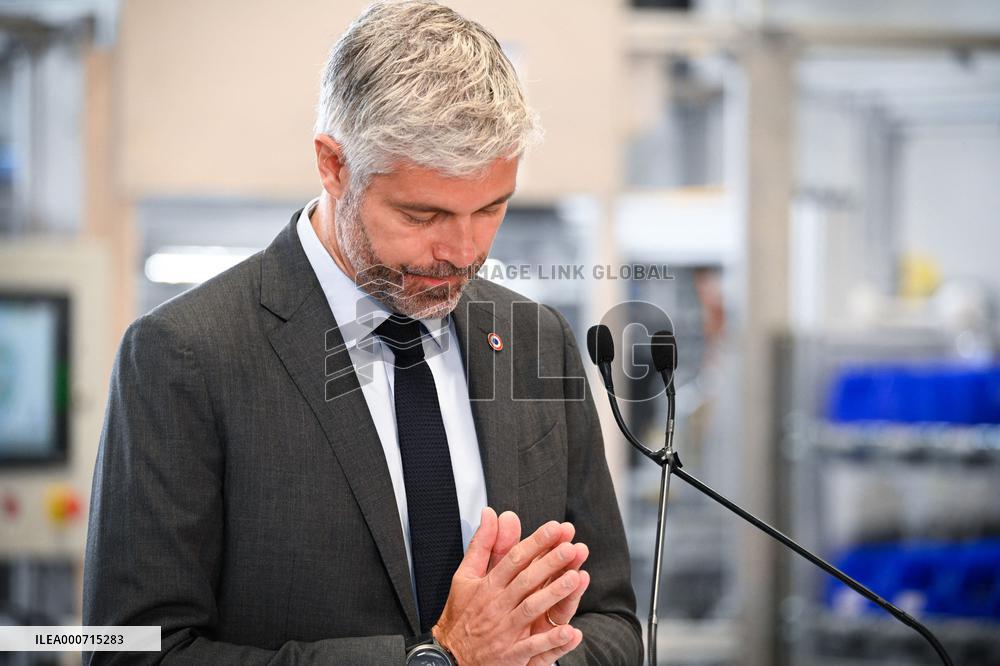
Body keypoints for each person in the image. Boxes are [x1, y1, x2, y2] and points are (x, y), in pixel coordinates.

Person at [82, 1, 642, 664]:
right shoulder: (187, 357)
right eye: (424, 213)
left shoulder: (535, 340)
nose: (462, 251)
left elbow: (613, 625)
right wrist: (441, 661)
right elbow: (132, 652)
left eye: (492, 208)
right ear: (333, 165)